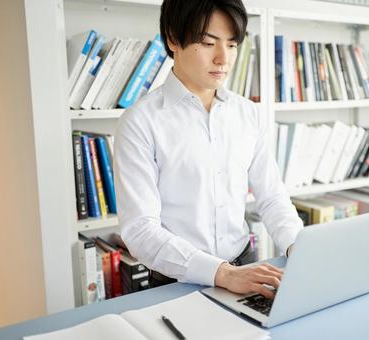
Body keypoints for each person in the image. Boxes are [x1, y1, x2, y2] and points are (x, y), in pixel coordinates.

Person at [114, 0, 303, 299]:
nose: (222, 59)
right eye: (207, 42)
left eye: (232, 45)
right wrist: (222, 274)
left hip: (246, 267)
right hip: (176, 282)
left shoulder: (248, 113)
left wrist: (300, 249)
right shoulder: (140, 122)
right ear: (173, 39)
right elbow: (140, 230)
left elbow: (272, 198)